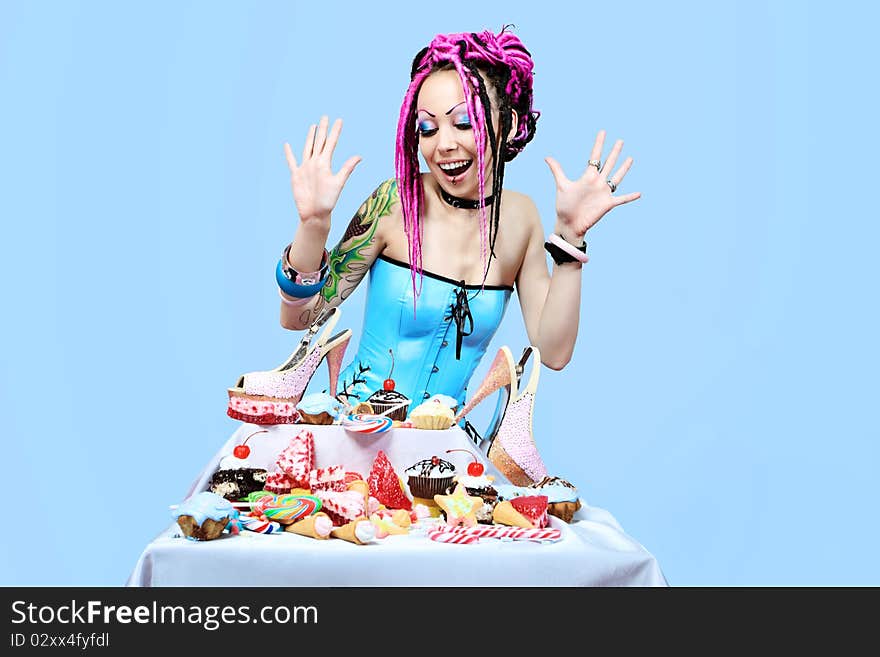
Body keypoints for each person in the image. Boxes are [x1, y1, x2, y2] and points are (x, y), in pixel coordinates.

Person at [274, 27, 640, 410]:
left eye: (463, 122)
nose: (443, 144)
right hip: (354, 434)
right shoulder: (395, 202)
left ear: (510, 123)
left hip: (445, 454)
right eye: (427, 128)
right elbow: (299, 319)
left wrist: (570, 239)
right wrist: (313, 225)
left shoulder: (520, 220)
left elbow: (553, 352)